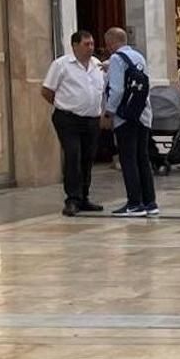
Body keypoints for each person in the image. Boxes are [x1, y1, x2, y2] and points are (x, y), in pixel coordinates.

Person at [41, 30, 107, 216]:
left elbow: (100, 92)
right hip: (68, 118)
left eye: (92, 44)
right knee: (73, 155)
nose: (90, 48)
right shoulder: (62, 65)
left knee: (88, 157)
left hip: (91, 119)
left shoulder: (97, 65)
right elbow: (47, 91)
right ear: (75, 46)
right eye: (86, 44)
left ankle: (84, 196)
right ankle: (72, 198)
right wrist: (64, 105)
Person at [103, 27, 158, 218]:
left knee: (128, 159)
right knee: (142, 158)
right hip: (143, 114)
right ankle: (150, 202)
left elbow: (117, 90)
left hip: (125, 117)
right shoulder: (138, 57)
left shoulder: (117, 59)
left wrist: (109, 113)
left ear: (111, 42)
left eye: (107, 43)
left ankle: (134, 203)